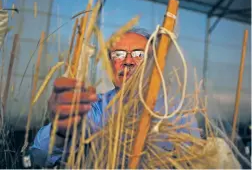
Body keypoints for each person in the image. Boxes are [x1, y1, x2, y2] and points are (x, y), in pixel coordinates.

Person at [28, 28, 200, 168]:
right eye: (118, 54)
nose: (128, 61)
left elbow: (194, 162)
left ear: (154, 63)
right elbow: (40, 155)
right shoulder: (97, 107)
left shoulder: (176, 112)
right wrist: (60, 130)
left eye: (139, 54)